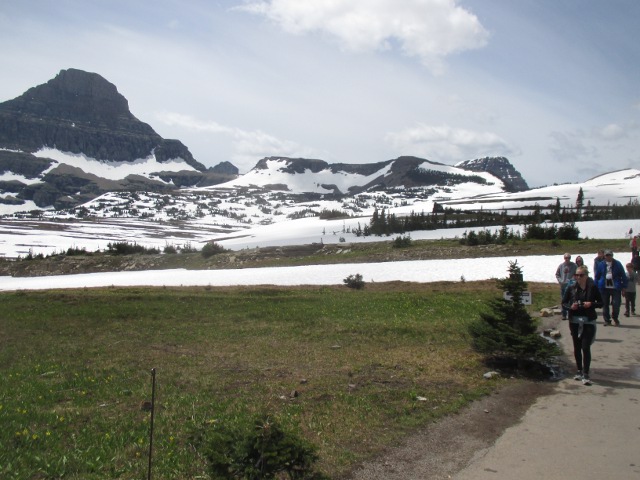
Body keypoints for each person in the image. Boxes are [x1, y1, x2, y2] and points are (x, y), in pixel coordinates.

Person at [563, 266, 603, 385]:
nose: (578, 278)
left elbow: (601, 303)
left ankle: (586, 372)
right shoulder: (571, 287)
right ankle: (579, 370)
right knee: (577, 346)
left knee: (585, 347)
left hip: (588, 320)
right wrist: (571, 307)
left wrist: (591, 304)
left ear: (586, 276)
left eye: (581, 275)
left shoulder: (593, 287)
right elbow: (564, 302)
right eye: (577, 275)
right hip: (574, 320)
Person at [594, 250, 628, 326]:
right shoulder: (601, 264)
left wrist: (624, 287)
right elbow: (597, 276)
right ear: (604, 256)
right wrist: (595, 286)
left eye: (609, 255)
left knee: (616, 304)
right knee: (605, 305)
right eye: (606, 255)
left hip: (615, 287)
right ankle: (607, 320)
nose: (608, 257)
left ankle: (615, 317)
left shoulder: (618, 264)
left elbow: (623, 275)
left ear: (612, 256)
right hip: (604, 288)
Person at [556, 253, 577, 320]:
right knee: (564, 300)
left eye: (568, 258)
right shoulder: (561, 266)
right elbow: (557, 274)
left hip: (571, 285)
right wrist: (560, 281)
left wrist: (574, 280)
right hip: (563, 285)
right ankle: (564, 314)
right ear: (564, 258)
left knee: (571, 300)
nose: (567, 259)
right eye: (566, 258)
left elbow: (577, 274)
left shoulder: (574, 265)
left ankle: (571, 314)